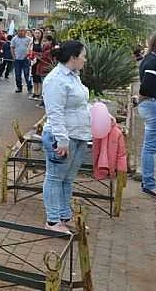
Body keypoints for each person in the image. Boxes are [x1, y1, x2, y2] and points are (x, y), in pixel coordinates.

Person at [41, 41, 91, 234]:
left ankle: (64, 216)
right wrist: (62, 140)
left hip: (78, 135)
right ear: (73, 57)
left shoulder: (73, 77)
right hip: (62, 137)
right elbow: (54, 112)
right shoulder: (56, 80)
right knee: (54, 177)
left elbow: (79, 104)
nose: (85, 60)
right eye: (83, 56)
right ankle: (53, 221)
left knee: (67, 179)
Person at [138, 29, 156, 199]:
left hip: (152, 105)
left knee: (150, 147)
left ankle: (148, 182)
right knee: (151, 147)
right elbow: (147, 86)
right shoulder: (155, 61)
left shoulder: (152, 58)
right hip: (154, 106)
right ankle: (149, 184)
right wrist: (139, 98)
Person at [11, 28, 33, 94]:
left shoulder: (29, 39)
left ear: (25, 32)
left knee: (27, 74)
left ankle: (29, 87)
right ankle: (19, 87)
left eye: (22, 31)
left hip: (26, 59)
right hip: (17, 60)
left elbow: (31, 48)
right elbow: (12, 48)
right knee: (17, 74)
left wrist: (29, 56)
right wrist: (14, 57)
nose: (20, 32)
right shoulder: (14, 39)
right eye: (19, 31)